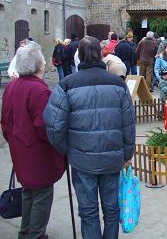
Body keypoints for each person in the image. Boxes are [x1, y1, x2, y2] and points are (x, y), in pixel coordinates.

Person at [44, 36, 135, 238]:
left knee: (89, 212)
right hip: (111, 158)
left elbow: (53, 126)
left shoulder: (66, 84)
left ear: (79, 56)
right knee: (111, 209)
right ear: (101, 54)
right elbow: (128, 123)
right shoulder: (118, 85)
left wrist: (68, 149)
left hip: (82, 158)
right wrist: (127, 152)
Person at [1, 42, 65, 239]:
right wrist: (61, 146)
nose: (45, 62)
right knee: (41, 196)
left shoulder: (12, 86)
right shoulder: (39, 91)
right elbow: (47, 128)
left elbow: (4, 120)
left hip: (20, 149)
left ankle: (25, 231)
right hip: (37, 153)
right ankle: (34, 235)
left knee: (29, 191)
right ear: (38, 65)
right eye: (43, 59)